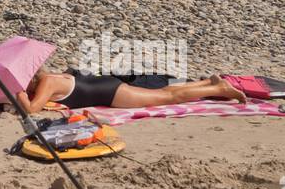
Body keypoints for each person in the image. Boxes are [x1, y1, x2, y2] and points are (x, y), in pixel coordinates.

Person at [16, 64, 248, 114]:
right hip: (107, 85)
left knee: (167, 96)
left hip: (112, 93)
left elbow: (32, 109)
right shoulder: (51, 77)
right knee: (164, 93)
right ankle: (207, 83)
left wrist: (18, 93)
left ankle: (220, 90)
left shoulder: (46, 82)